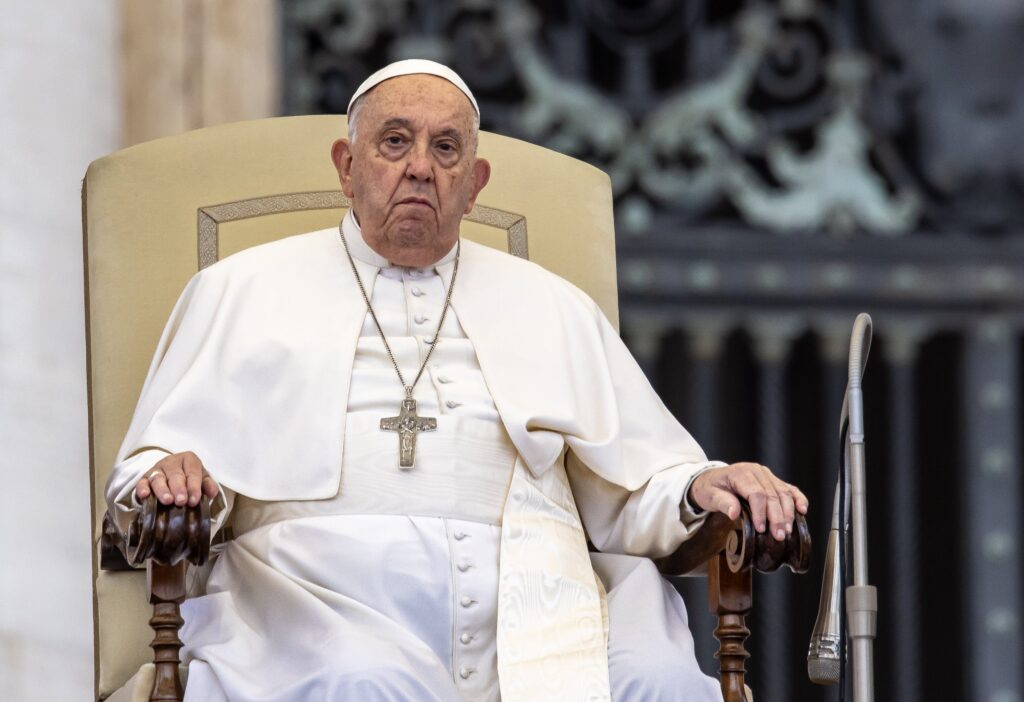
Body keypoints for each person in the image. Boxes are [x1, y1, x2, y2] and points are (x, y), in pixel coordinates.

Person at [106, 60, 807, 702]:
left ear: (474, 184)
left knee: (653, 679)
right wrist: (169, 475)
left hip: (536, 595)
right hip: (312, 595)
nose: (420, 168)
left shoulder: (552, 305)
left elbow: (635, 483)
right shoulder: (240, 289)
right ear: (346, 167)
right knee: (360, 679)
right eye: (394, 142)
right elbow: (149, 473)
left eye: (446, 149)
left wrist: (702, 484)